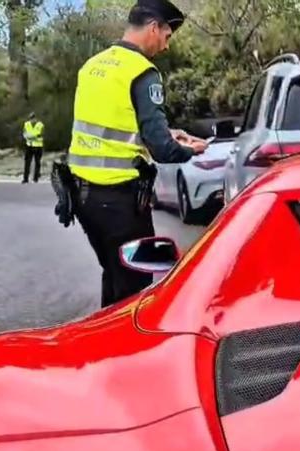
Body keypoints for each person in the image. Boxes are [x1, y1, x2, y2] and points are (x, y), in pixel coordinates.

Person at [65, 0, 207, 308]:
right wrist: (190, 149)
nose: (166, 47)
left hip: (83, 199)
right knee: (135, 288)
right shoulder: (142, 71)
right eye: (167, 37)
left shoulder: (93, 66)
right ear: (154, 27)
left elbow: (110, 122)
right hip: (120, 202)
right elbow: (162, 150)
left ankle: (102, 345)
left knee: (114, 276)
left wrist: (168, 133)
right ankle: (124, 352)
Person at [22, 112, 45, 183]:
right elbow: (24, 134)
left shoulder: (40, 125)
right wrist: (32, 136)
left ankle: (36, 178)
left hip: (38, 146)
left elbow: (40, 135)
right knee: (27, 163)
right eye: (31, 118)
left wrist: (31, 136)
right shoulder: (26, 124)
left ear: (36, 118)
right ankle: (25, 179)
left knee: (37, 162)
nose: (32, 120)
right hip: (29, 145)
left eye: (33, 118)